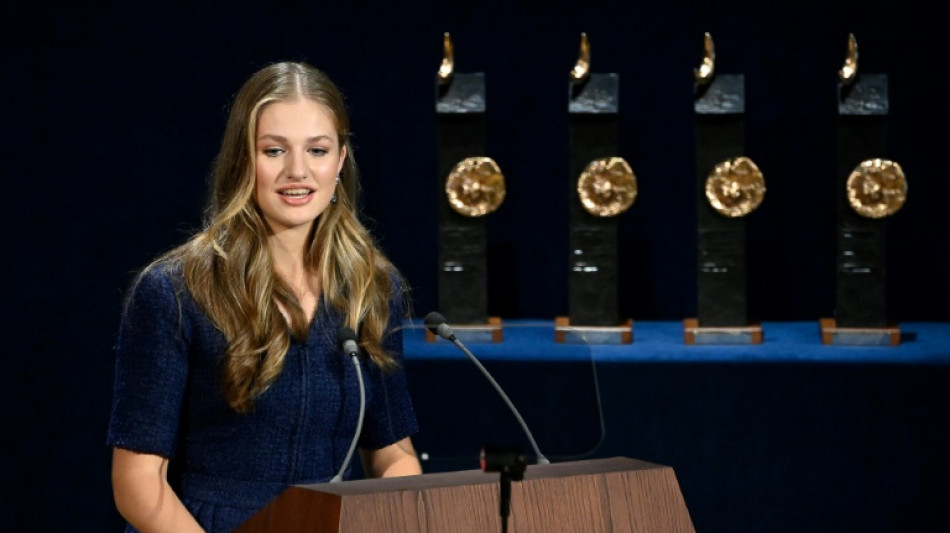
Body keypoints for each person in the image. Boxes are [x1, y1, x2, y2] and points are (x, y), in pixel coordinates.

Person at [107, 61, 422, 533]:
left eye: (317, 150)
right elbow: (137, 483)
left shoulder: (372, 289)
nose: (298, 171)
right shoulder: (175, 291)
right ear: (242, 160)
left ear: (340, 161)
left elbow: (393, 455)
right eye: (274, 150)